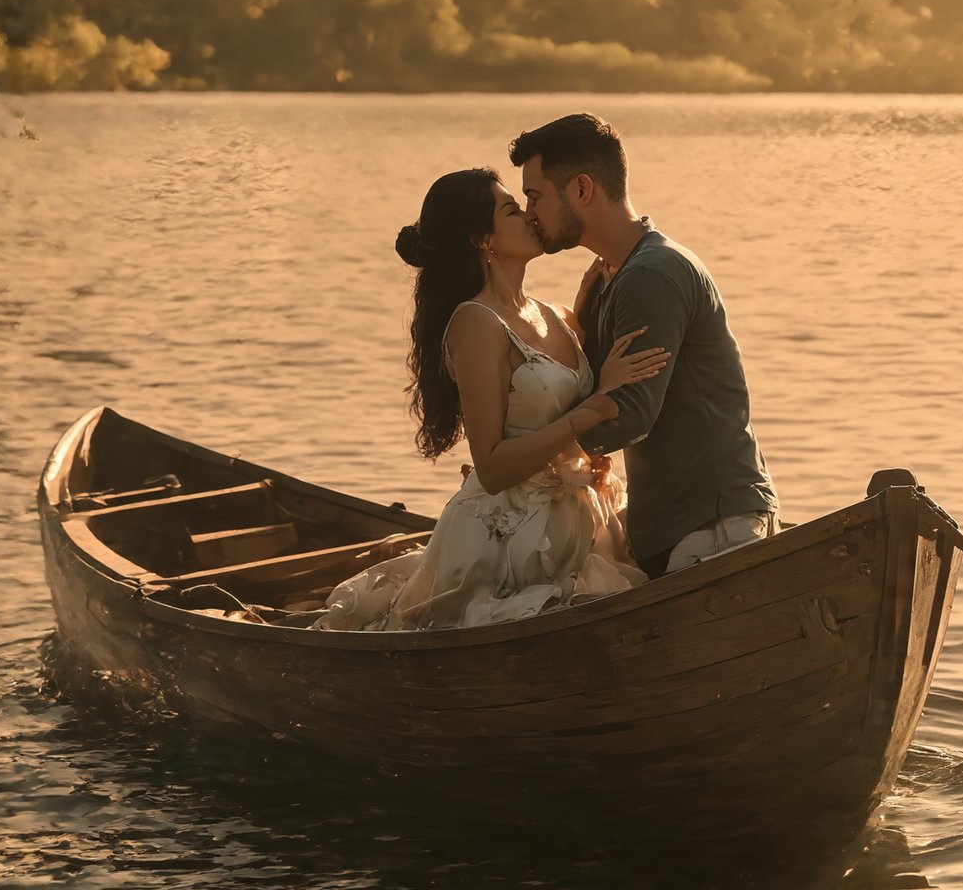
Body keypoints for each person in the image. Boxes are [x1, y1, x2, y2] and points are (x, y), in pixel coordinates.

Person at [313, 168, 659, 631]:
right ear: (481, 238)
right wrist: (590, 411)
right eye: (513, 210)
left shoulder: (557, 314)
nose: (532, 216)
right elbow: (492, 467)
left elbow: (573, 410)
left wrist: (589, 322)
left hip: (578, 522)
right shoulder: (476, 322)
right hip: (509, 539)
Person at [510, 113, 779, 578]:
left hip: (712, 525)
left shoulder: (651, 275)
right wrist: (580, 324)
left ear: (581, 190)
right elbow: (601, 394)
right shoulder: (610, 277)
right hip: (674, 523)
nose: (529, 212)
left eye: (535, 196)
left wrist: (525, 453)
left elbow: (628, 417)